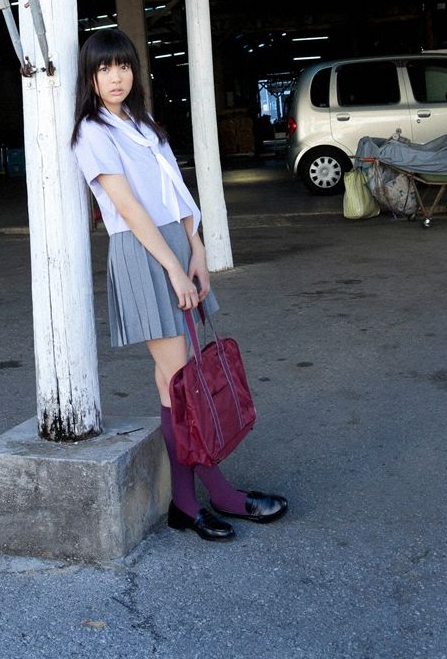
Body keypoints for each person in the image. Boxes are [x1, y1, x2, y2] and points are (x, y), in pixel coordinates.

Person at [71, 27, 287, 542]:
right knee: (181, 380)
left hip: (176, 246)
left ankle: (186, 503)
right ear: (90, 78)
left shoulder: (143, 125)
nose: (116, 76)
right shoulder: (92, 133)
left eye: (122, 65)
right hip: (143, 252)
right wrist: (170, 264)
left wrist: (198, 248)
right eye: (103, 68)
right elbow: (128, 209)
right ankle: (215, 496)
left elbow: (175, 191)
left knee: (178, 384)